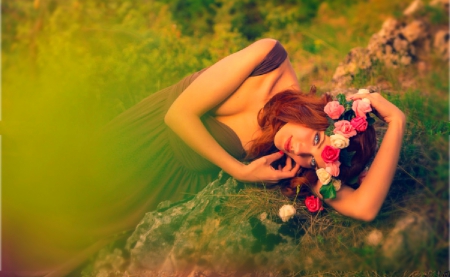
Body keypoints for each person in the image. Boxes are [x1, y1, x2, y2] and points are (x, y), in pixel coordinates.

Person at [4, 39, 405, 276]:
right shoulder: (268, 60)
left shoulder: (293, 157)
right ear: (320, 113)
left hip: (159, 189)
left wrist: (396, 121)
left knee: (60, 247)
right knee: (39, 199)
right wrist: (240, 170)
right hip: (139, 146)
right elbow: (177, 115)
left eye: (311, 163)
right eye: (315, 143)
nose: (299, 154)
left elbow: (365, 207)